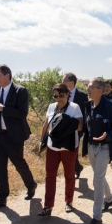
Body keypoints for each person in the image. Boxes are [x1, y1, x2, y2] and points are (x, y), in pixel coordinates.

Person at [0, 64, 37, 212]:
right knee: (0, 168)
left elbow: (22, 113)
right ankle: (1, 199)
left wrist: (4, 109)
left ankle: (31, 184)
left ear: (7, 75)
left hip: (13, 136)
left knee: (19, 163)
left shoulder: (20, 91)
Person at [82, 78, 112, 224]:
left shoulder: (109, 106)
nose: (88, 89)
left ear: (99, 91)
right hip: (91, 147)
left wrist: (108, 135)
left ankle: (96, 217)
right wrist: (85, 148)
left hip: (104, 148)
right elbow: (87, 129)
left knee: (97, 180)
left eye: (90, 87)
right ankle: (110, 198)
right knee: (98, 176)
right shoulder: (89, 106)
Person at [38, 83, 83, 216]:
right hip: (52, 146)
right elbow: (46, 124)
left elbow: (80, 126)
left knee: (69, 175)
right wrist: (42, 140)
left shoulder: (74, 107)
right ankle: (48, 205)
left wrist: (66, 124)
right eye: (55, 96)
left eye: (61, 95)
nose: (58, 98)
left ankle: (69, 201)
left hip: (69, 147)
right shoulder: (52, 107)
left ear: (68, 94)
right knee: (49, 175)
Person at [62, 72, 88, 179]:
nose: (62, 83)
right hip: (63, 127)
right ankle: (77, 167)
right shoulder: (61, 93)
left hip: (77, 127)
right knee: (67, 149)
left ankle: (75, 170)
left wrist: (83, 128)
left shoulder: (82, 95)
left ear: (71, 82)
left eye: (64, 80)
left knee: (73, 148)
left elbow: (85, 112)